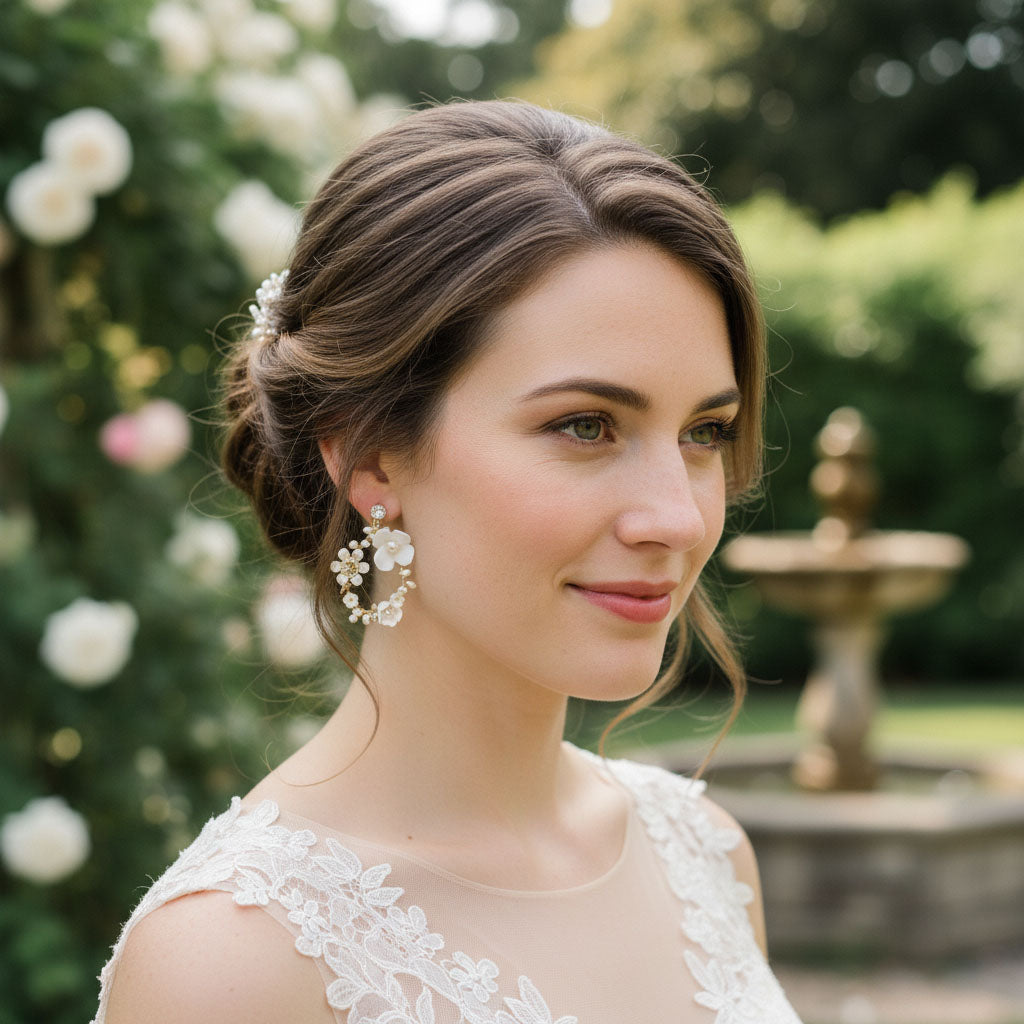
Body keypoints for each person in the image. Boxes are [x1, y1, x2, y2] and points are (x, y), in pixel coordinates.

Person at [93, 100, 802, 1023]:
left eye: (705, 431)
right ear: (369, 457)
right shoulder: (236, 964)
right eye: (585, 426)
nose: (678, 516)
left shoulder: (705, 853)